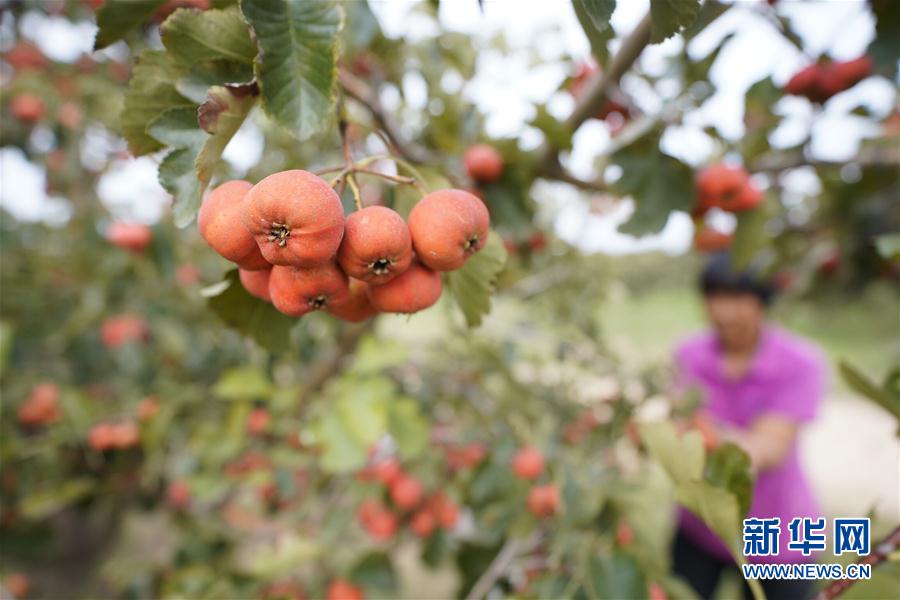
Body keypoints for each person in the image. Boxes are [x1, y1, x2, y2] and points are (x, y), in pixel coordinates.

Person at [671, 253, 827, 600]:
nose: (724, 311)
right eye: (716, 297)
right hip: (702, 522)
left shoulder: (801, 363)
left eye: (739, 297)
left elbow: (769, 448)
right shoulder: (689, 353)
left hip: (779, 531)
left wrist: (695, 431)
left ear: (763, 302)